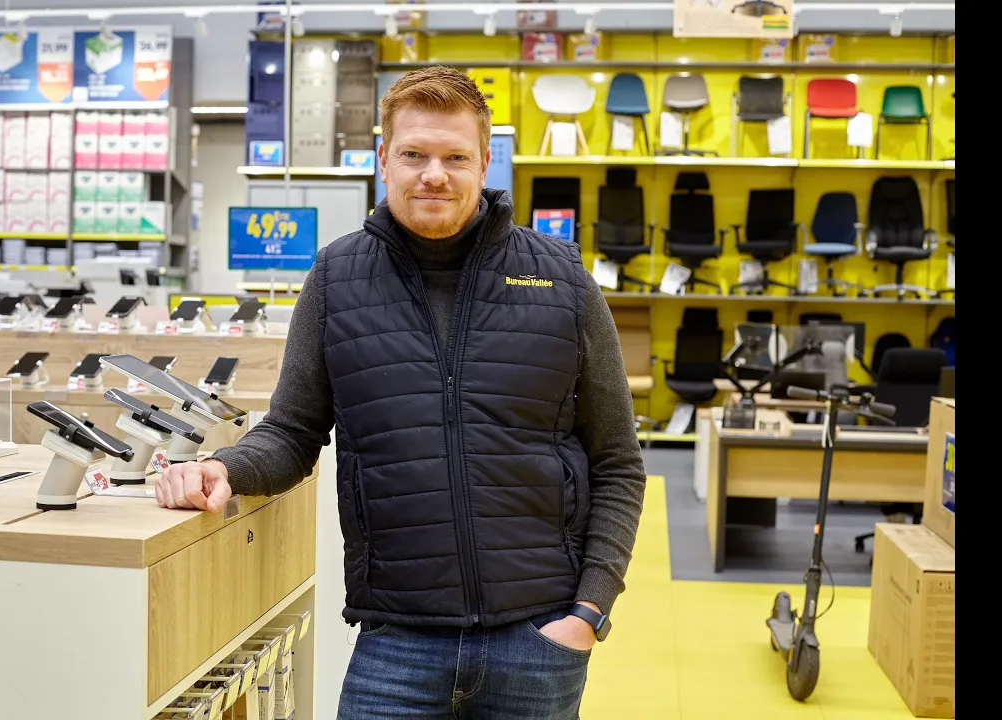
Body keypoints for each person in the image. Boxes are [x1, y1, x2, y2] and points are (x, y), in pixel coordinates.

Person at [156, 66, 648, 720]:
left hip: (538, 640)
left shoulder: (561, 280)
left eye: (455, 157)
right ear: (384, 159)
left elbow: (617, 460)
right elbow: (293, 432)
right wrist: (224, 467)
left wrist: (588, 612)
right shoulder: (336, 279)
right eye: (414, 155)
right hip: (397, 642)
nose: (434, 174)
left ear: (484, 164)